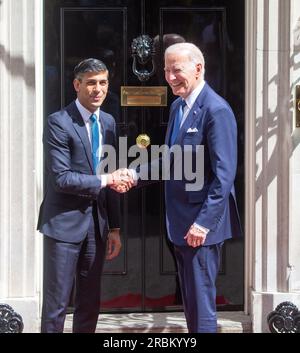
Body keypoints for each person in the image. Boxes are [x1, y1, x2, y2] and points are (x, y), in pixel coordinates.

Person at [120, 42, 242, 333]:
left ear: (198, 69)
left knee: (201, 304)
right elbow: (171, 161)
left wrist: (203, 223)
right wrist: (135, 175)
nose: (170, 77)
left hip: (200, 226)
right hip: (179, 222)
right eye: (166, 70)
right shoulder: (178, 106)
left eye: (177, 70)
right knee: (189, 300)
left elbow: (224, 176)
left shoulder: (216, 110)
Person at [37, 58, 131, 333]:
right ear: (77, 85)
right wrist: (107, 179)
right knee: (57, 305)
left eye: (103, 83)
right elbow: (62, 178)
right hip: (64, 225)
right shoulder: (58, 123)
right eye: (91, 83)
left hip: (97, 228)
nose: (97, 89)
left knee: (90, 302)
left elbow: (110, 174)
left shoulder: (109, 122)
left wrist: (114, 227)